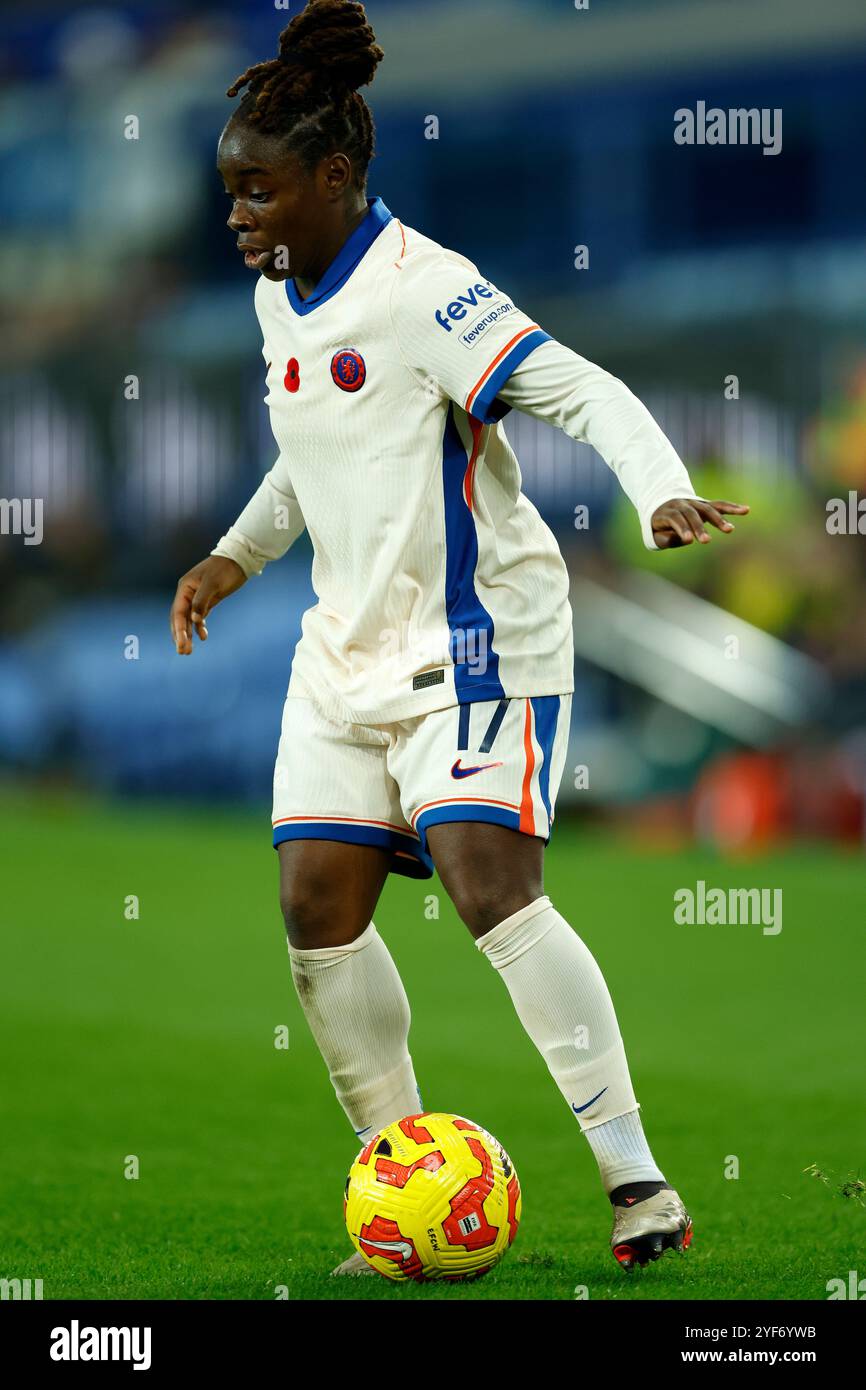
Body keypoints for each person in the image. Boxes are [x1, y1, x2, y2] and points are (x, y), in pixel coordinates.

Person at [170, 0, 748, 1276]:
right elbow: (307, 458)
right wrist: (235, 552)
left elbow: (578, 386)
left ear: (331, 176)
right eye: (229, 192)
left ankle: (636, 1182)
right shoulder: (282, 302)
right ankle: (401, 1189)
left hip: (477, 641)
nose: (237, 215)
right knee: (314, 911)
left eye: (257, 190)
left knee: (488, 882)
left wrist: (654, 485)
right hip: (343, 654)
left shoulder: (425, 290)